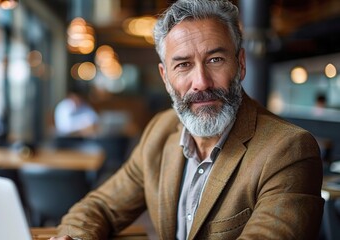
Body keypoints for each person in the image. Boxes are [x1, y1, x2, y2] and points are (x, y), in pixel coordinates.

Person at [50, 0, 324, 239]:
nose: (201, 83)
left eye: (215, 59)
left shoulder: (289, 150)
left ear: (240, 64)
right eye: (183, 65)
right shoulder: (160, 130)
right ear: (165, 78)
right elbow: (101, 206)